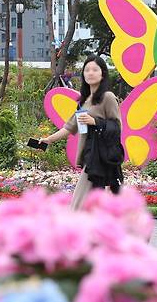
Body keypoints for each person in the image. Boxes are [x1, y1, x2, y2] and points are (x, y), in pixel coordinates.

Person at [40, 55, 123, 210]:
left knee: (78, 204)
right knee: (92, 205)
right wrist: (48, 140)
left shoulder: (108, 97)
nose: (90, 73)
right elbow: (69, 127)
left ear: (102, 74)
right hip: (89, 156)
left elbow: (117, 127)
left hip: (101, 157)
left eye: (94, 69)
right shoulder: (84, 102)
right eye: (87, 70)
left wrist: (95, 122)